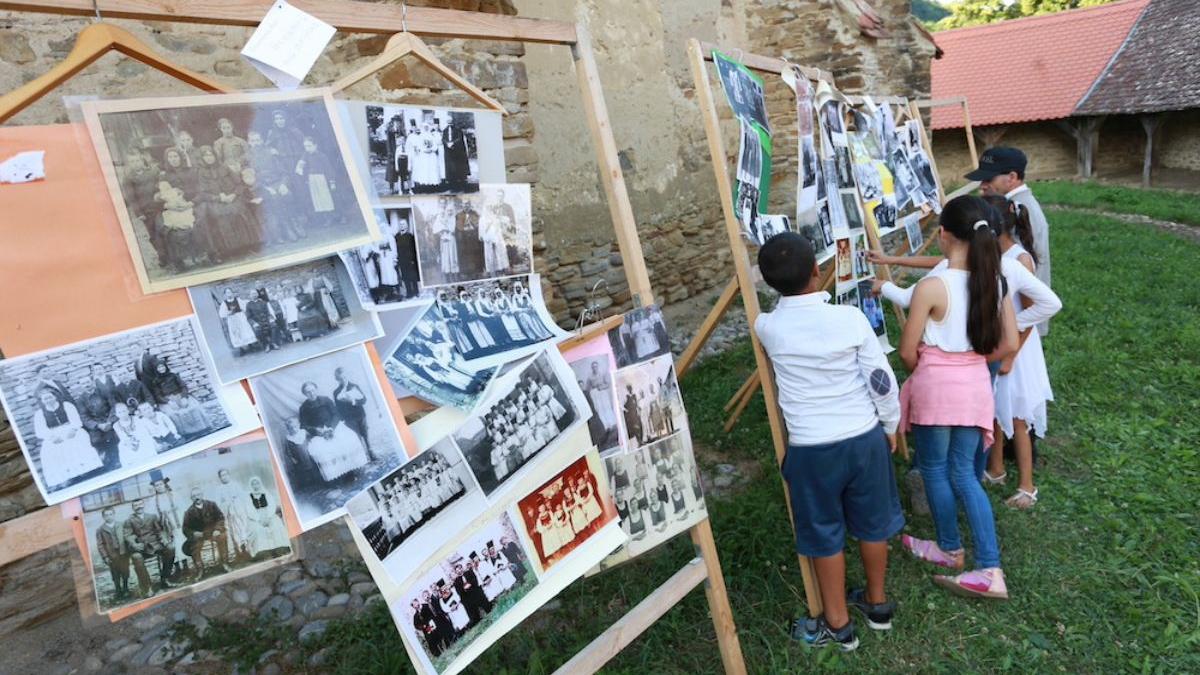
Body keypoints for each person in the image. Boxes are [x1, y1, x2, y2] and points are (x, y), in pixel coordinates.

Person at [754, 231, 905, 651]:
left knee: (824, 533)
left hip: (812, 449)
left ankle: (838, 624)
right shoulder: (851, 319)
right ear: (818, 271)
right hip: (863, 437)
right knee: (873, 523)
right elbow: (881, 381)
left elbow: (764, 319)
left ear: (769, 283)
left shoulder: (767, 328)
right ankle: (877, 605)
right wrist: (890, 426)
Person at [895, 196, 1018, 600]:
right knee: (966, 474)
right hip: (974, 388)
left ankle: (950, 548)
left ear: (944, 235)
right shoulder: (995, 281)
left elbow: (908, 351)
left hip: (935, 388)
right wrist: (972, 362)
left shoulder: (933, 286)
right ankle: (990, 565)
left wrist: (929, 370)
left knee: (934, 468)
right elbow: (1010, 342)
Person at [982, 195, 1053, 509]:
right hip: (1001, 343)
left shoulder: (1019, 260)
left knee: (1018, 416)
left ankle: (1027, 485)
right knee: (996, 409)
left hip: (1019, 349)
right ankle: (995, 469)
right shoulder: (991, 254)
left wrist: (1010, 353)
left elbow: (1031, 314)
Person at [967, 147, 1052, 335]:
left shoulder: (1017, 210)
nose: (982, 185)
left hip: (1018, 318)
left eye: (988, 179)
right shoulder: (1015, 205)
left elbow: (1017, 270)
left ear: (1012, 177)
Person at [33, 388, 104, 489]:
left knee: (79, 440)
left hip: (70, 429)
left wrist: (74, 430)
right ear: (42, 401)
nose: (48, 400)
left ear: (55, 397)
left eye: (50, 397)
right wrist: (51, 437)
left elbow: (76, 420)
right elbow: (40, 431)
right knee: (48, 450)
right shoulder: (39, 413)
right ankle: (66, 477)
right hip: (54, 434)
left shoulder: (67, 405)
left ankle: (85, 471)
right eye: (45, 399)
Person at [123, 498, 175, 595]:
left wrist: (164, 539)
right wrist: (135, 544)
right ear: (133, 508)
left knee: (170, 548)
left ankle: (165, 578)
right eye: (136, 505)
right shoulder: (129, 521)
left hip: (155, 544)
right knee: (136, 557)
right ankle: (147, 587)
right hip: (142, 547)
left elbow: (159, 530)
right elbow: (127, 536)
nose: (139, 507)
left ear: (144, 505)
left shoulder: (152, 517)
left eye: (140, 504)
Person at [182, 485, 230, 577]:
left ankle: (225, 563)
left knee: (223, 536)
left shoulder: (211, 505)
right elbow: (185, 528)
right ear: (191, 498)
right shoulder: (189, 512)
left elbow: (220, 518)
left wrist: (217, 529)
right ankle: (200, 570)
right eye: (194, 496)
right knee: (194, 545)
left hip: (213, 532)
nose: (197, 497)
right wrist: (194, 533)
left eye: (198, 495)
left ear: (202, 495)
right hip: (200, 535)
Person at [332, 367, 372, 460]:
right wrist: (343, 419)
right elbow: (338, 408)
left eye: (345, 377)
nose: (343, 380)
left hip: (360, 415)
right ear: (337, 379)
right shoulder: (336, 392)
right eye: (340, 379)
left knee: (365, 434)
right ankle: (364, 456)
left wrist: (353, 401)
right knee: (357, 437)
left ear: (347, 376)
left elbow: (364, 400)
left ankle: (370, 451)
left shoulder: (355, 386)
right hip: (349, 418)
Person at [246, 475, 289, 556]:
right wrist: (258, 519)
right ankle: (263, 551)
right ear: (251, 486)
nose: (256, 486)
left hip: (268, 515)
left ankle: (280, 547)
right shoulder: (249, 496)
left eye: (257, 483)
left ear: (260, 484)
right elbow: (249, 509)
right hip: (256, 517)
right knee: (257, 530)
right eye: (253, 484)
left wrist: (268, 517)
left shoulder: (266, 493)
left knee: (276, 525)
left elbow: (272, 505)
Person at [214, 468, 250, 562]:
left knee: (243, 530)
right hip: (229, 514)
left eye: (226, 474)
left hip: (240, 512)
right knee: (234, 533)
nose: (224, 477)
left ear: (229, 475)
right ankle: (239, 552)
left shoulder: (236, 485)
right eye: (222, 476)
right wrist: (226, 503)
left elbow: (244, 498)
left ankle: (247, 550)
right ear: (220, 478)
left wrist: (236, 501)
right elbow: (218, 504)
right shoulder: (219, 489)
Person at [95, 506, 130, 601]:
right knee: (115, 574)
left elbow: (127, 537)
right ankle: (118, 590)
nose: (109, 517)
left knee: (125, 571)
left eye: (111, 514)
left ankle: (126, 588)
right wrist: (105, 556)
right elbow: (100, 545)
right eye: (106, 515)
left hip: (123, 553)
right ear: (103, 517)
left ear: (114, 515)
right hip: (112, 555)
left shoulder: (121, 525)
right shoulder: (100, 530)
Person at [442, 117, 472, 190]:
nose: (449, 122)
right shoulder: (444, 130)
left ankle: (460, 184)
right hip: (448, 152)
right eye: (448, 121)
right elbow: (443, 139)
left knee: (457, 168)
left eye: (450, 121)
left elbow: (459, 138)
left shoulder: (457, 130)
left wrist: (453, 143)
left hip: (456, 151)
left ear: (452, 121)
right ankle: (452, 184)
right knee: (450, 168)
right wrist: (447, 143)